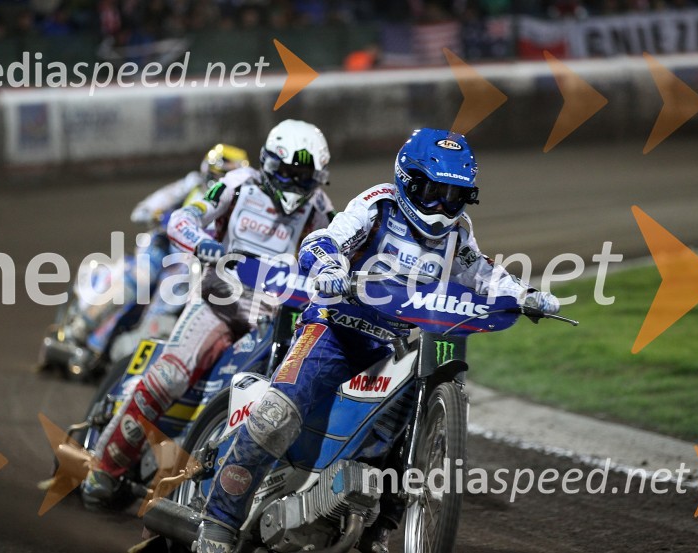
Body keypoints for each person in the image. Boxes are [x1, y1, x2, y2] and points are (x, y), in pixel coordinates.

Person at [194, 128, 560, 553]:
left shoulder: (458, 231)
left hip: (394, 348)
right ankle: (218, 522)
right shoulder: (379, 203)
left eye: (454, 196)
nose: (442, 206)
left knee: (396, 441)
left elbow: (480, 272)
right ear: (408, 180)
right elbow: (322, 239)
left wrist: (525, 295)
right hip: (335, 329)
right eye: (432, 191)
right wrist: (330, 265)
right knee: (277, 414)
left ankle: (375, 528)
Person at [80, 120, 335, 506]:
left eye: (305, 175)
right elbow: (185, 216)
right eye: (290, 172)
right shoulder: (239, 185)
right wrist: (201, 242)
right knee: (168, 376)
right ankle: (104, 467)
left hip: (277, 316)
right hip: (219, 302)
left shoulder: (318, 207)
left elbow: (332, 251)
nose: (296, 182)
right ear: (270, 163)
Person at [66, 144, 250, 365]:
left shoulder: (242, 204)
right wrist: (163, 216)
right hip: (163, 249)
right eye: (221, 176)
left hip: (193, 266)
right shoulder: (191, 185)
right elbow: (142, 211)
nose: (224, 184)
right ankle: (81, 328)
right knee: (139, 279)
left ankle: (127, 355)